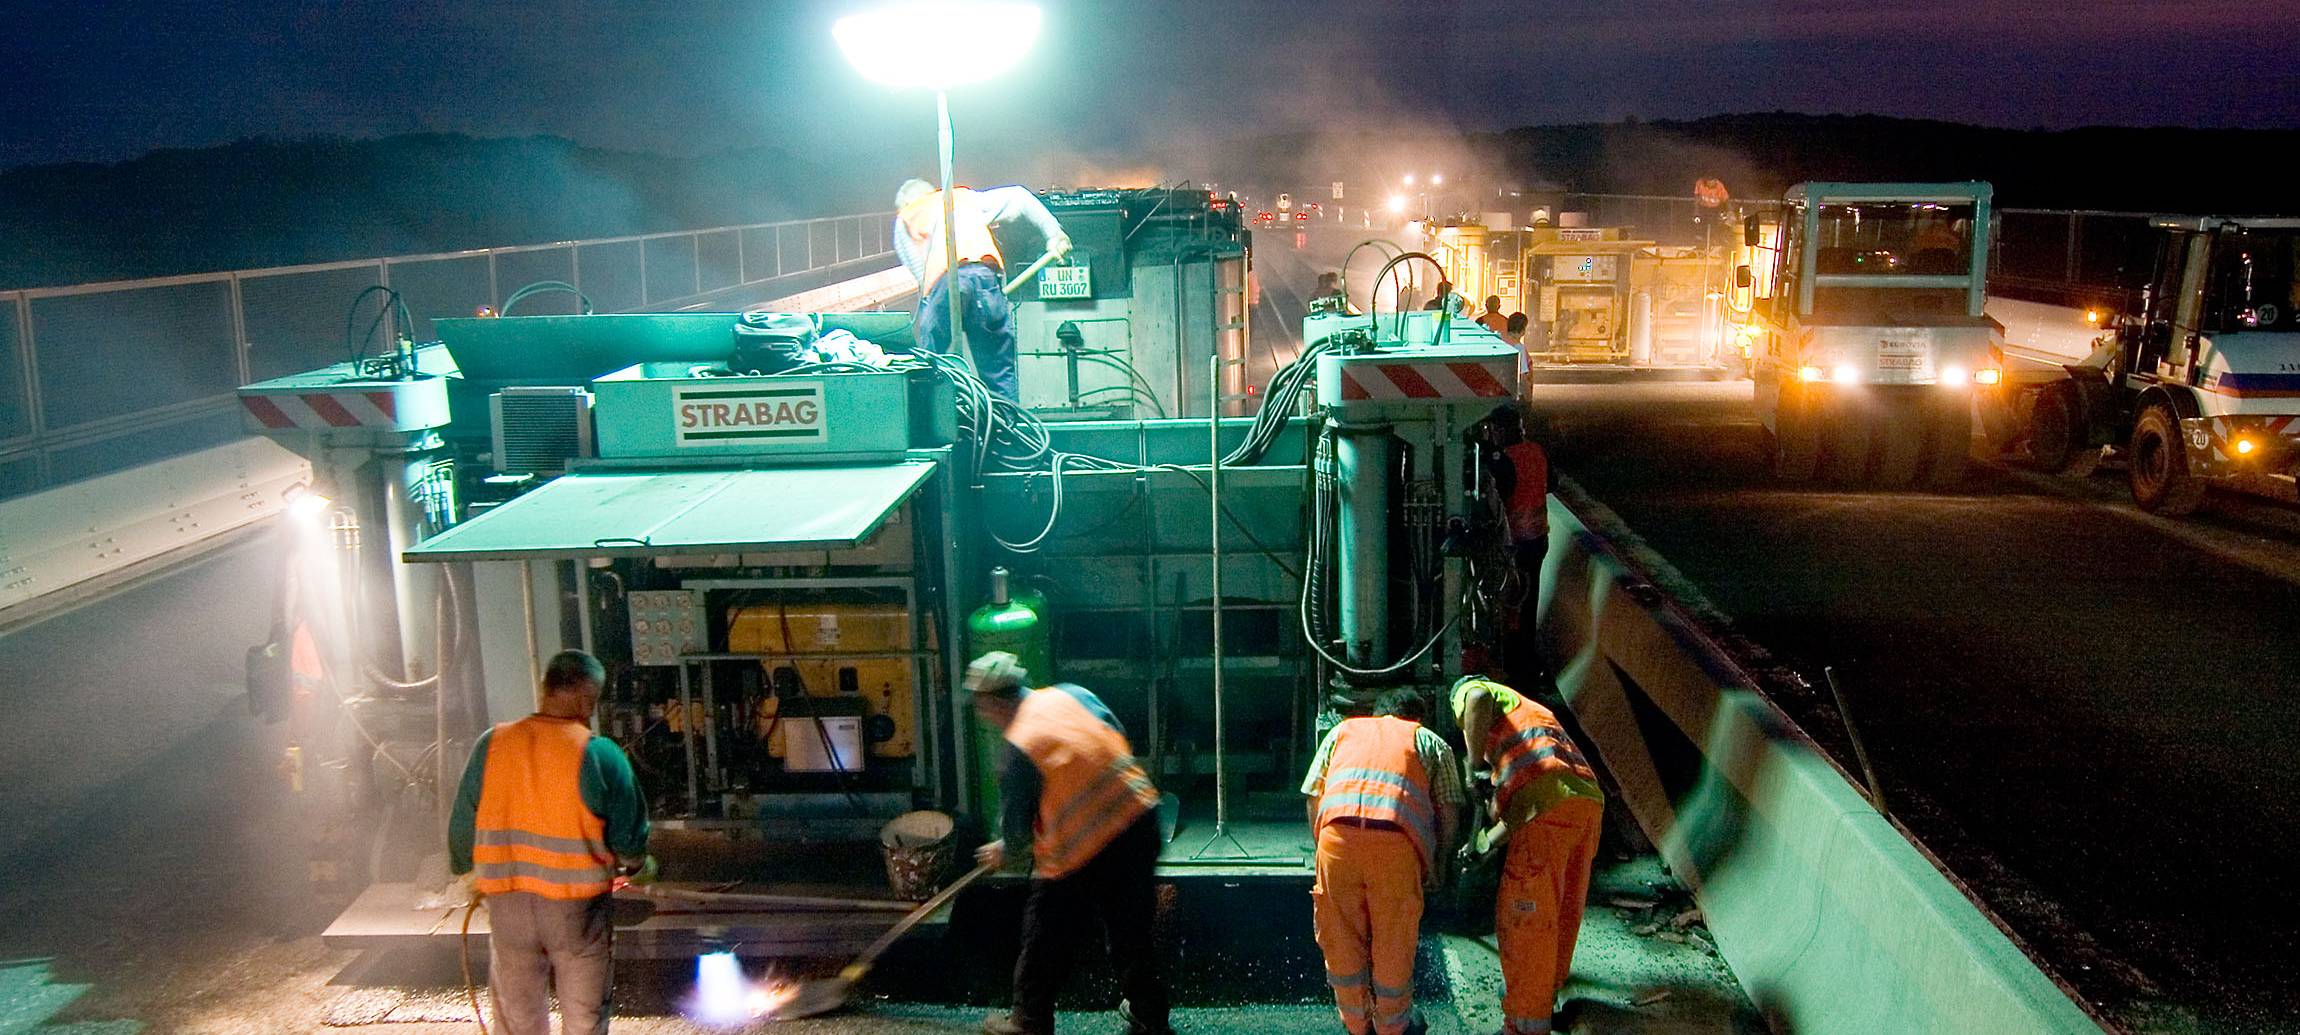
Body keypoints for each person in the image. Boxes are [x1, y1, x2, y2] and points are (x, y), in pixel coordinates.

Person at [449, 650, 653, 1035]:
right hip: (576, 912)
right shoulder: (598, 753)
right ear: (585, 695)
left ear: (545, 688)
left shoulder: (491, 744)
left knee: (518, 1016)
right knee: (584, 1016)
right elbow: (629, 835)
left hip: (507, 906)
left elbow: (462, 822)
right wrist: (639, 863)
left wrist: (464, 872)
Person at [967, 651, 1171, 1035]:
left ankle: (1028, 1023)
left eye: (981, 705)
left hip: (1080, 849)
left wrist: (1003, 849)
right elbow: (1113, 733)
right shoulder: (1070, 694)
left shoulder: (1018, 748)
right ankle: (1150, 1015)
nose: (982, 714)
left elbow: (1016, 833)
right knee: (1131, 932)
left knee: (1043, 938)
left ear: (994, 702)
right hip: (1138, 818)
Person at [1300, 690, 1465, 1035]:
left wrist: (1324, 852)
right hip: (1395, 847)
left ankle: (1356, 1025)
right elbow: (1449, 810)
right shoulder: (1428, 740)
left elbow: (1314, 795)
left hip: (1336, 842)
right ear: (1416, 717)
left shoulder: (1342, 732)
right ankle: (1393, 1027)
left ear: (1378, 713)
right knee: (1393, 941)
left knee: (1342, 938)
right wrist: (1438, 864)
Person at [1450, 676, 1603, 1035]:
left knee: (1526, 920)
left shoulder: (1479, 691)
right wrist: (1484, 844)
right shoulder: (1533, 719)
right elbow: (1528, 811)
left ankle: (1524, 1023)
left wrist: (1474, 768)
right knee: (1560, 911)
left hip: (1549, 807)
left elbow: (1474, 696)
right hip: (1585, 804)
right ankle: (1542, 996)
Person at [893, 179, 1072, 402]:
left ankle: (933, 421)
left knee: (930, 362)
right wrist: (1054, 233)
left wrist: (930, 305)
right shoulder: (963, 198)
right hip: (985, 278)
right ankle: (1008, 429)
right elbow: (1019, 195)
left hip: (947, 282)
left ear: (906, 202)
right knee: (997, 366)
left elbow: (917, 267)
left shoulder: (907, 215)